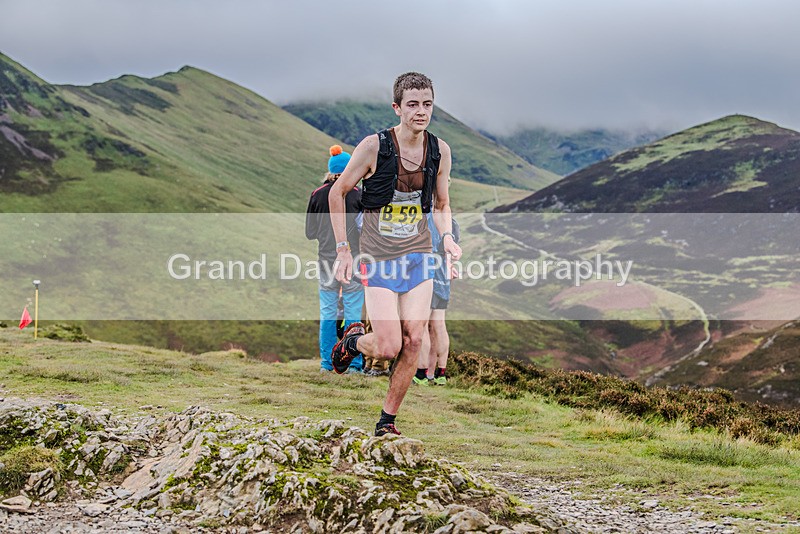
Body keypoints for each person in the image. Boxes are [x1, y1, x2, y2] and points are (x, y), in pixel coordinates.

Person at [328, 72, 462, 436]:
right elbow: (337, 193)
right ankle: (354, 341)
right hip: (377, 256)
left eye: (428, 104)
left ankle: (387, 421)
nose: (421, 112)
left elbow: (442, 203)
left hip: (418, 254)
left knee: (415, 339)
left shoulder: (439, 151)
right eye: (413, 105)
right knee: (387, 346)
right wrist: (343, 249)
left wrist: (447, 238)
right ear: (397, 107)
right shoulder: (374, 147)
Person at [305, 145, 364, 373]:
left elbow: (310, 233)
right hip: (355, 262)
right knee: (352, 313)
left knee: (328, 312)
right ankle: (354, 365)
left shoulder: (317, 194)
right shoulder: (358, 194)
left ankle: (327, 364)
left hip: (326, 261)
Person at [413, 215, 460, 386]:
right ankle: (439, 372)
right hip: (443, 275)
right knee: (439, 325)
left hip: (427, 272)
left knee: (423, 325)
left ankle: (421, 373)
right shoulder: (450, 221)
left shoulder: (424, 217)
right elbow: (454, 249)